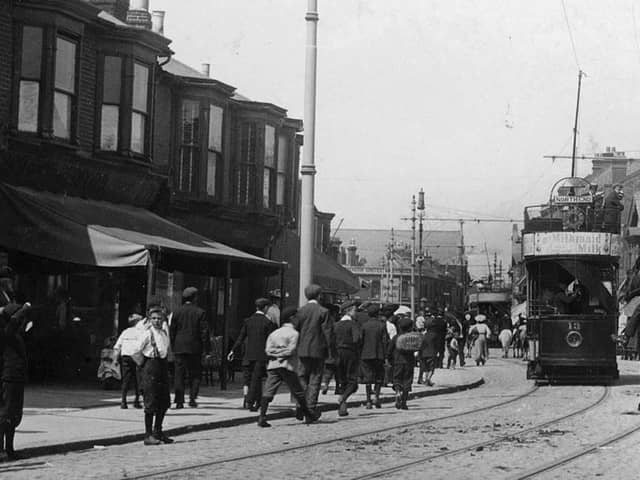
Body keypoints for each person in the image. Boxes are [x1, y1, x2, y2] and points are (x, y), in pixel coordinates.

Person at [257, 307, 321, 427]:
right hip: (287, 366)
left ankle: (262, 417)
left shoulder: (274, 333)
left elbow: (268, 350)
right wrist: (283, 354)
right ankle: (308, 415)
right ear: (292, 318)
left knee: (268, 391)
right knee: (299, 392)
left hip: (273, 365)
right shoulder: (294, 334)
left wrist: (276, 354)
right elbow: (291, 351)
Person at [292, 284, 334, 416]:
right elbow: (328, 334)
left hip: (303, 350)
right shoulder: (323, 312)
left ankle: (300, 405)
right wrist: (331, 352)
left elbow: (295, 330)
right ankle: (310, 408)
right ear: (319, 295)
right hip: (318, 350)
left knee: (302, 378)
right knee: (315, 380)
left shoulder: (300, 311)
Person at [228, 298, 276, 412]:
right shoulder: (268, 322)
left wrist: (233, 350)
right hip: (261, 355)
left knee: (252, 378)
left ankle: (256, 401)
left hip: (248, 354)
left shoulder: (248, 321)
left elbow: (241, 337)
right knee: (256, 378)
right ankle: (250, 401)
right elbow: (271, 340)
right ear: (265, 308)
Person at [137, 306, 173, 446]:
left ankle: (158, 431)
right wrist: (142, 370)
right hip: (150, 368)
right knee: (151, 402)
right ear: (150, 320)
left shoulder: (164, 333)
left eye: (159, 318)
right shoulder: (147, 334)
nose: (157, 321)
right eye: (154, 318)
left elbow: (166, 350)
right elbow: (136, 351)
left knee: (164, 402)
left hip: (162, 367)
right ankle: (148, 435)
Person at [169, 287, 210, 409]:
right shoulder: (200, 312)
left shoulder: (176, 312)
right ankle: (192, 398)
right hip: (195, 347)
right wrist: (207, 349)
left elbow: (172, 331)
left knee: (179, 374)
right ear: (195, 298)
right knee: (195, 373)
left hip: (179, 347)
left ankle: (179, 400)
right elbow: (204, 332)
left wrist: (173, 345)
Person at [0, 302, 31, 461]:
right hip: (9, 378)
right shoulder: (7, 332)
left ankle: (10, 449)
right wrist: (25, 308)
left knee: (13, 415)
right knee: (5, 414)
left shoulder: (14, 333)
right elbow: (13, 322)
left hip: (16, 378)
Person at [333, 301, 361, 416]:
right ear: (348, 311)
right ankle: (343, 398)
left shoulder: (336, 324)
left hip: (338, 353)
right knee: (353, 382)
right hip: (350, 353)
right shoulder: (353, 324)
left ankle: (342, 407)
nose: (356, 313)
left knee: (342, 380)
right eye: (355, 310)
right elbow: (356, 339)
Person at [359, 303, 388, 408]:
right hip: (379, 354)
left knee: (367, 378)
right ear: (378, 314)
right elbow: (385, 341)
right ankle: (376, 397)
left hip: (366, 354)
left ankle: (367, 401)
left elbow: (360, 341)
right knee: (379, 377)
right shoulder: (382, 325)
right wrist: (385, 355)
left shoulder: (364, 325)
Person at [114, 313, 144, 409]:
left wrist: (115, 359)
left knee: (126, 379)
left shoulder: (125, 332)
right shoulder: (141, 332)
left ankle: (123, 401)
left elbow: (117, 346)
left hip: (125, 356)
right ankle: (137, 401)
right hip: (136, 357)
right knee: (137, 379)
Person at [387, 316, 415, 410]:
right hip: (409, 362)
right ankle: (404, 402)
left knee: (397, 379)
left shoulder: (396, 337)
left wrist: (389, 360)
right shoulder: (412, 338)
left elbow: (389, 350)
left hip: (398, 362)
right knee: (407, 381)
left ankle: (398, 392)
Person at [418, 320, 437, 385]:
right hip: (432, 353)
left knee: (426, 368)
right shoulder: (434, 335)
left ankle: (427, 380)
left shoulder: (423, 335)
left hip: (424, 354)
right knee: (431, 369)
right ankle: (428, 379)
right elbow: (436, 345)